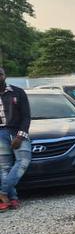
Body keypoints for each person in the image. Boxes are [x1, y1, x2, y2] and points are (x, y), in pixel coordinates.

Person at [0, 67, 32, 211]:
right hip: (0, 134)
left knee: (24, 161)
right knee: (4, 167)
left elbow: (26, 116)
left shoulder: (18, 92)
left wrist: (20, 135)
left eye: (0, 74)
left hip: (17, 131)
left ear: (4, 75)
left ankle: (3, 192)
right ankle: (12, 199)